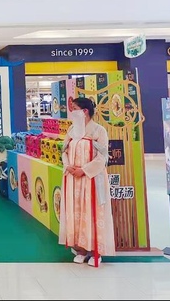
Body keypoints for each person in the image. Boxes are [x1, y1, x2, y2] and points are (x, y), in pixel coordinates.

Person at [59, 97, 115, 267]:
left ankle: (96, 251)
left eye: (75, 109)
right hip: (73, 179)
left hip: (92, 178)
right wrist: (68, 166)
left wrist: (84, 170)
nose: (72, 112)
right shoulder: (71, 131)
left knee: (93, 212)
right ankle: (81, 249)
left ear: (84, 111)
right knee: (76, 212)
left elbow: (103, 157)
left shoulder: (98, 131)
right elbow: (64, 151)